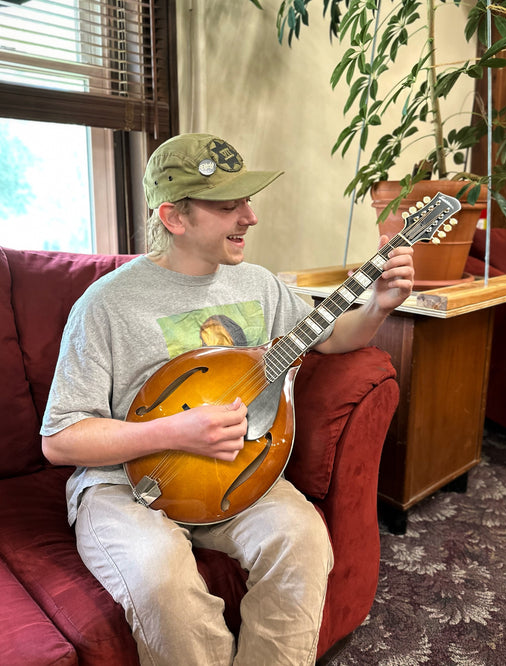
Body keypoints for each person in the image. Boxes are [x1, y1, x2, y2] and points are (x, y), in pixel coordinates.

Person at [41, 133, 414, 666]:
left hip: (237, 476)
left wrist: (378, 304)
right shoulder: (105, 305)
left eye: (247, 201)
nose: (251, 217)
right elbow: (59, 440)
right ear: (174, 217)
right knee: (162, 579)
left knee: (303, 537)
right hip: (125, 485)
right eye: (228, 205)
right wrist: (173, 431)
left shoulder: (260, 285)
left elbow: (331, 337)